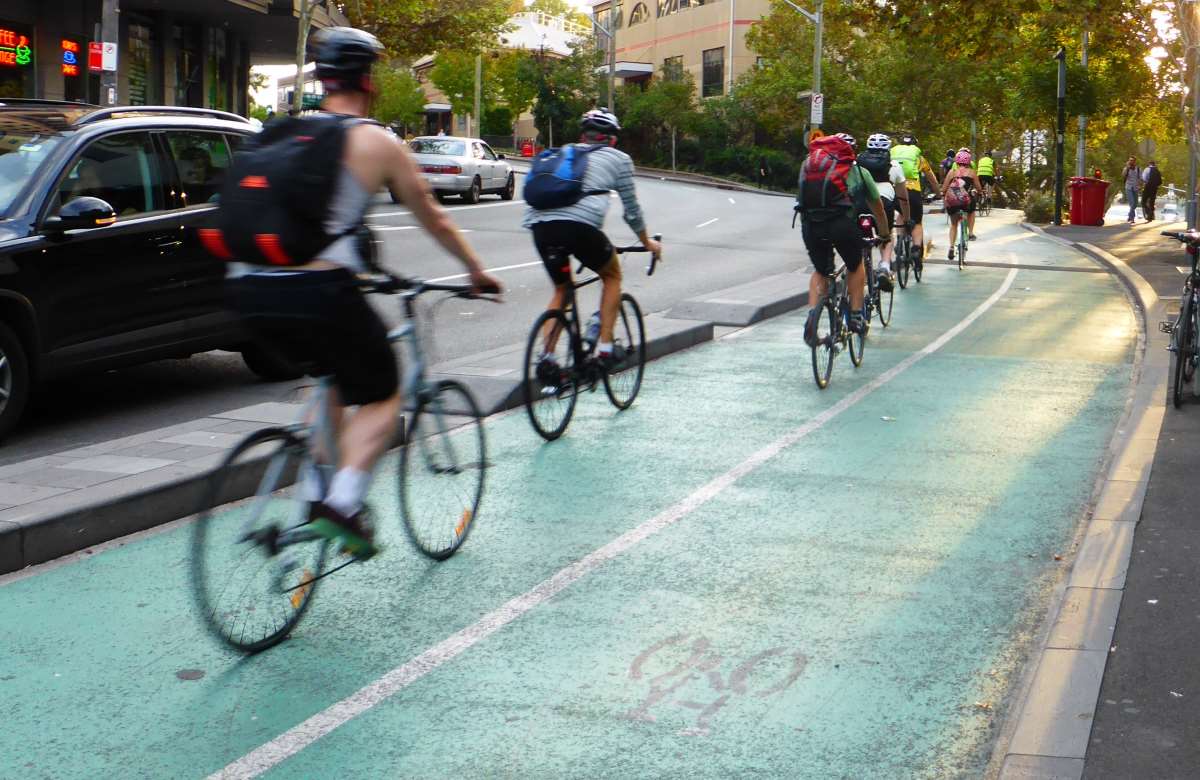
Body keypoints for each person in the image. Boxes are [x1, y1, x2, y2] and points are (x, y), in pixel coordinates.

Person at [226, 27, 501, 558]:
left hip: (248, 287)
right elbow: (434, 218)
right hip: (318, 291)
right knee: (382, 394)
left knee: (329, 378)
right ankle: (343, 504)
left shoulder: (285, 132)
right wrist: (476, 271)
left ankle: (314, 490)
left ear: (324, 80)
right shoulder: (376, 141)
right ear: (369, 80)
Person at [523, 109, 661, 371]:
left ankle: (547, 359)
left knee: (562, 289)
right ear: (612, 139)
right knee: (612, 276)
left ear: (582, 136)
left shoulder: (564, 153)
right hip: (579, 229)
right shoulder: (619, 159)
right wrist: (647, 242)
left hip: (540, 227)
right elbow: (632, 212)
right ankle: (606, 350)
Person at [798, 132, 892, 345]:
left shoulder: (808, 166)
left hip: (811, 225)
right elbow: (877, 207)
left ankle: (813, 315)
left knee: (821, 270)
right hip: (841, 225)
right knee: (854, 264)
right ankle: (856, 314)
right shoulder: (858, 170)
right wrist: (884, 234)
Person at [857, 133, 911, 288]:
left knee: (858, 238)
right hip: (883, 203)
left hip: (860, 203)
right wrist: (906, 218)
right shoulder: (894, 166)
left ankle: (855, 270)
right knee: (886, 236)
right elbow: (903, 199)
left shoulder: (857, 163)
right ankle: (885, 266)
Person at [891, 134, 941, 263]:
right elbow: (932, 179)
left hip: (895, 190)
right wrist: (938, 194)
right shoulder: (919, 158)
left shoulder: (892, 155)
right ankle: (916, 248)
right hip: (913, 191)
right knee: (917, 222)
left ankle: (899, 240)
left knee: (901, 213)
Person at [941, 150, 983, 260]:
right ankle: (971, 233)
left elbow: (944, 189)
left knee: (954, 225)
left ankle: (951, 247)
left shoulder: (951, 172)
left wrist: (943, 196)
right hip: (966, 202)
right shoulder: (972, 172)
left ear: (957, 161)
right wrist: (979, 192)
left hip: (952, 202)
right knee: (972, 210)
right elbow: (979, 188)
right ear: (969, 161)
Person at [1122, 156, 1141, 223]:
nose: (1131, 161)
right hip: (1128, 187)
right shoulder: (1126, 169)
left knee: (1135, 204)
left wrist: (1139, 185)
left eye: (1132, 160)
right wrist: (1127, 168)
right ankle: (1132, 218)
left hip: (1135, 188)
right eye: (1130, 160)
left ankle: (1130, 216)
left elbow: (1139, 178)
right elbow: (1123, 176)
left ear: (1135, 161)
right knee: (1132, 203)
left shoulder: (1138, 169)